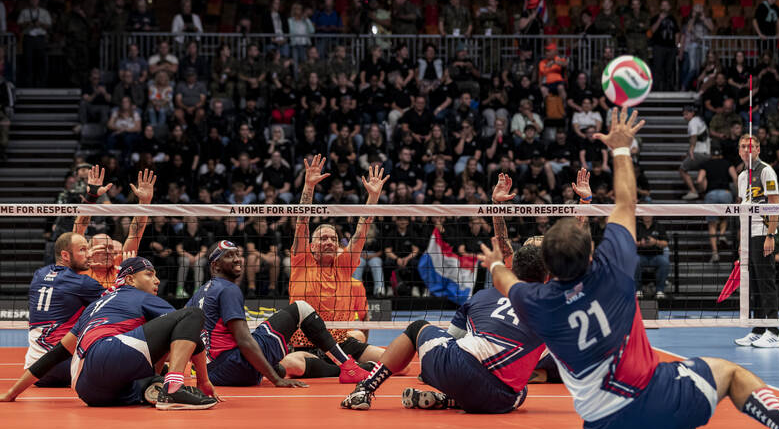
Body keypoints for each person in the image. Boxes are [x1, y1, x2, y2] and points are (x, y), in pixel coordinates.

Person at [477, 108, 779, 429]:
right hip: (655, 402)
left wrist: (493, 264)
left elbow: (507, 275)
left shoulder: (535, 302)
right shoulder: (612, 272)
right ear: (589, 255)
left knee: (676, 381)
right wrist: (620, 148)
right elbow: (626, 203)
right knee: (730, 373)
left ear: (547, 270)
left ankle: (679, 419)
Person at [341, 244, 548, 412]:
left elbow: (452, 338)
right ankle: (449, 400)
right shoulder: (553, 309)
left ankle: (364, 390)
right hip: (499, 398)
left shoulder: (483, 296)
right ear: (547, 277)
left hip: (457, 368)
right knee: (521, 391)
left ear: (512, 269)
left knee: (417, 327)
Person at [2, 257, 219, 410]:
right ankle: (173, 387)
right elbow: (188, 329)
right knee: (192, 315)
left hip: (87, 389)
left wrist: (12, 393)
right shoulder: (140, 296)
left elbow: (55, 355)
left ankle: (155, 386)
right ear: (130, 280)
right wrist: (203, 380)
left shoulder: (94, 307)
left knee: (156, 371)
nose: (157, 281)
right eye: (149, 274)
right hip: (108, 354)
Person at [186, 241, 369, 387]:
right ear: (215, 265)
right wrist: (276, 380)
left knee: (282, 367)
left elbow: (183, 332)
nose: (237, 259)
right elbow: (244, 340)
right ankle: (348, 368)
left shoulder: (199, 294)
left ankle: (355, 368)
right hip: (237, 366)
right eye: (229, 256)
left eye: (237, 254)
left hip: (214, 374)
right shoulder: (228, 289)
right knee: (301, 307)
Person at [285, 156, 389, 374]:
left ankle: (342, 365)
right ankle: (346, 368)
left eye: (333, 238)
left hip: (339, 341)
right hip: (307, 345)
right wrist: (309, 186)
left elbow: (361, 232)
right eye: (323, 238)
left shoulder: (343, 265)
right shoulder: (302, 260)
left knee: (397, 363)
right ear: (311, 246)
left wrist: (373, 198)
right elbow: (302, 222)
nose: (329, 242)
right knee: (291, 365)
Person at [25, 232, 105, 388]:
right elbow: (119, 301)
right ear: (65, 255)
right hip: (63, 368)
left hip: (35, 371)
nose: (89, 255)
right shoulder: (83, 283)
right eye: (83, 250)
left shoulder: (39, 275)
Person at [735, 133, 779, 347]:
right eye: (743, 146)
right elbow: (743, 210)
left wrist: (771, 234)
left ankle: (774, 331)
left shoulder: (766, 171)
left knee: (766, 282)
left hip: (763, 232)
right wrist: (741, 240)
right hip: (748, 235)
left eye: (751, 146)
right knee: (753, 284)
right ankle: (758, 328)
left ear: (758, 149)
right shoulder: (742, 176)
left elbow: (774, 203)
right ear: (739, 150)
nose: (747, 149)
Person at [696, 146, 738, 263]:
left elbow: (699, 180)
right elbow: (735, 178)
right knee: (725, 216)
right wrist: (738, 195)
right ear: (721, 155)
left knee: (712, 224)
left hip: (711, 194)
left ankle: (714, 253)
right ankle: (723, 234)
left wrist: (701, 190)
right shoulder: (727, 163)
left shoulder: (706, 164)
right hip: (725, 193)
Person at [17, 0, 52, 87]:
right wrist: (29, 23)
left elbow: (49, 25)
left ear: (38, 1)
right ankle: (28, 84)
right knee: (28, 61)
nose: (34, 1)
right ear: (29, 1)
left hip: (40, 38)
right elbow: (19, 24)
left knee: (41, 62)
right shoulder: (24, 12)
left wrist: (40, 24)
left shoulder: (44, 12)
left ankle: (41, 85)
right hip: (28, 38)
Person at [679, 104, 710, 200]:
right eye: (683, 115)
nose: (685, 117)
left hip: (699, 152)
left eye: (686, 114)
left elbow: (694, 137)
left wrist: (691, 151)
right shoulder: (699, 120)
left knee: (682, 169)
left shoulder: (692, 122)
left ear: (692, 113)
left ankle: (693, 191)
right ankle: (704, 194)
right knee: (703, 172)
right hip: (707, 152)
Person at [634, 216, 669, 299]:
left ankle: (660, 290)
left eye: (648, 213)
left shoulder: (659, 226)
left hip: (656, 256)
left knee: (664, 262)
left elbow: (665, 243)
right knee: (635, 261)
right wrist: (640, 243)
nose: (646, 215)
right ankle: (637, 290)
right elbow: (630, 241)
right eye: (644, 214)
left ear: (652, 214)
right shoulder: (636, 226)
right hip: (640, 256)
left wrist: (655, 242)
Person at [649, 0, 680, 92]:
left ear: (669, 7)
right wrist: (660, 19)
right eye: (663, 5)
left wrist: (676, 47)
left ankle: (669, 89)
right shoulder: (655, 18)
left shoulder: (673, 19)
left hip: (671, 47)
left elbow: (677, 33)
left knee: (669, 69)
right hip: (659, 47)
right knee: (657, 69)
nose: (665, 7)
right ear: (660, 7)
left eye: (666, 5)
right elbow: (652, 31)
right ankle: (656, 89)